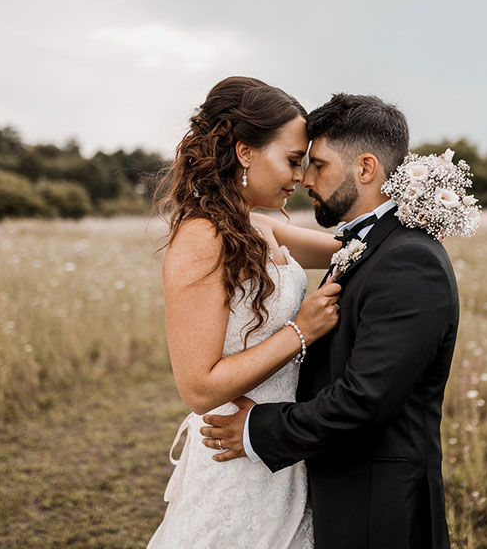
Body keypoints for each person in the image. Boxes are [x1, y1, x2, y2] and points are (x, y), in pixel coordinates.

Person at [200, 94, 460, 549]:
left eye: (317, 165)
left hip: (379, 512)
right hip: (335, 490)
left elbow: (364, 399)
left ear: (365, 168)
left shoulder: (409, 261)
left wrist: (257, 428)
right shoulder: (369, 244)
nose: (305, 180)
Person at [146, 76, 343, 549]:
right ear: (245, 152)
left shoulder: (257, 226)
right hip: (233, 457)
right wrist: (301, 331)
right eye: (293, 161)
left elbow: (351, 248)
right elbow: (197, 386)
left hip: (275, 445)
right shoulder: (201, 238)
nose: (300, 177)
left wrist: (421, 201)